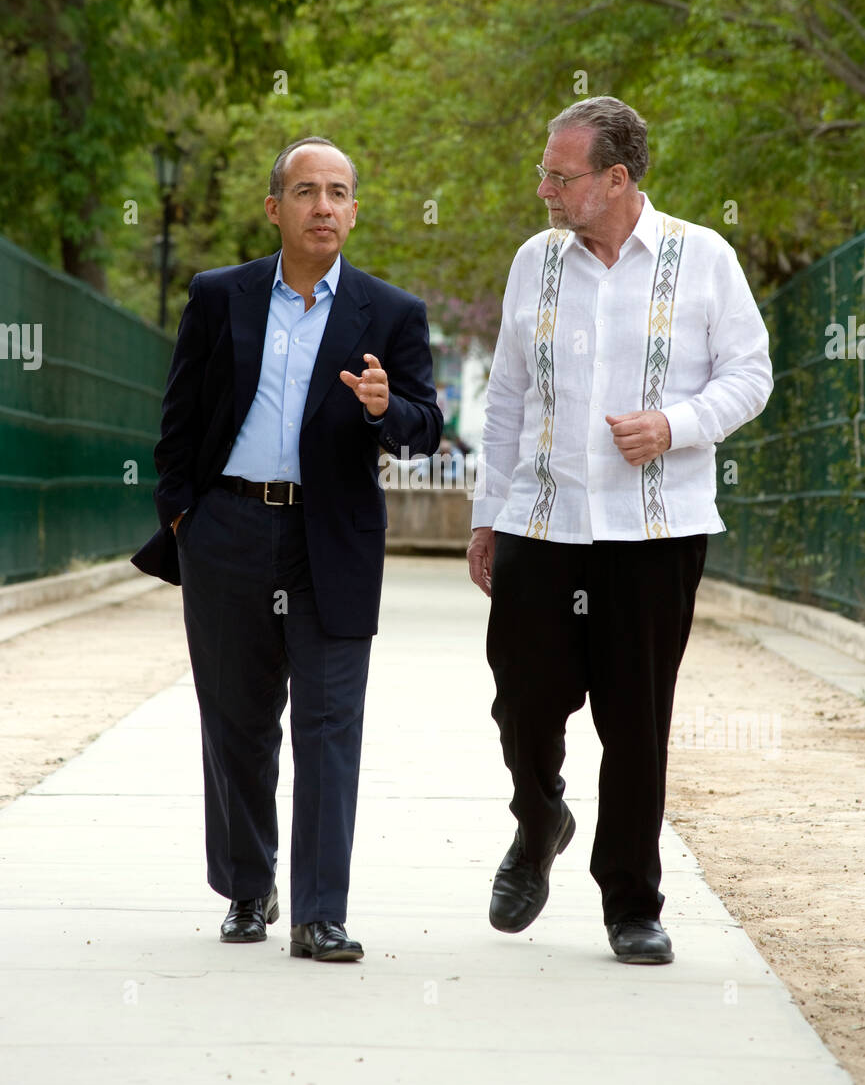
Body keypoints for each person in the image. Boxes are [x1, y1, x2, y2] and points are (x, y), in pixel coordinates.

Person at [467, 97, 772, 964]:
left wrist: (676, 425)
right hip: (542, 519)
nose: (544, 190)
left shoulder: (701, 257)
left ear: (615, 178)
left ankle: (631, 902)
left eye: (559, 177)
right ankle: (539, 821)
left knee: (635, 722)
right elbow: (507, 399)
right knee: (522, 701)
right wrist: (487, 515)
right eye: (544, 172)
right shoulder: (536, 262)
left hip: (656, 531)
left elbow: (750, 375)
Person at [132, 136, 442, 961]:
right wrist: (181, 517)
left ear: (353, 209)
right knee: (235, 722)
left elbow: (426, 430)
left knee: (329, 723)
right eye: (305, 191)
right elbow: (179, 419)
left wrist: (386, 408)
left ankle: (320, 913)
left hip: (331, 539)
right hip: (228, 530)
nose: (323, 206)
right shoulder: (218, 296)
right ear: (275, 208)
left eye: (338, 192)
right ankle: (246, 887)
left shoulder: (392, 313)